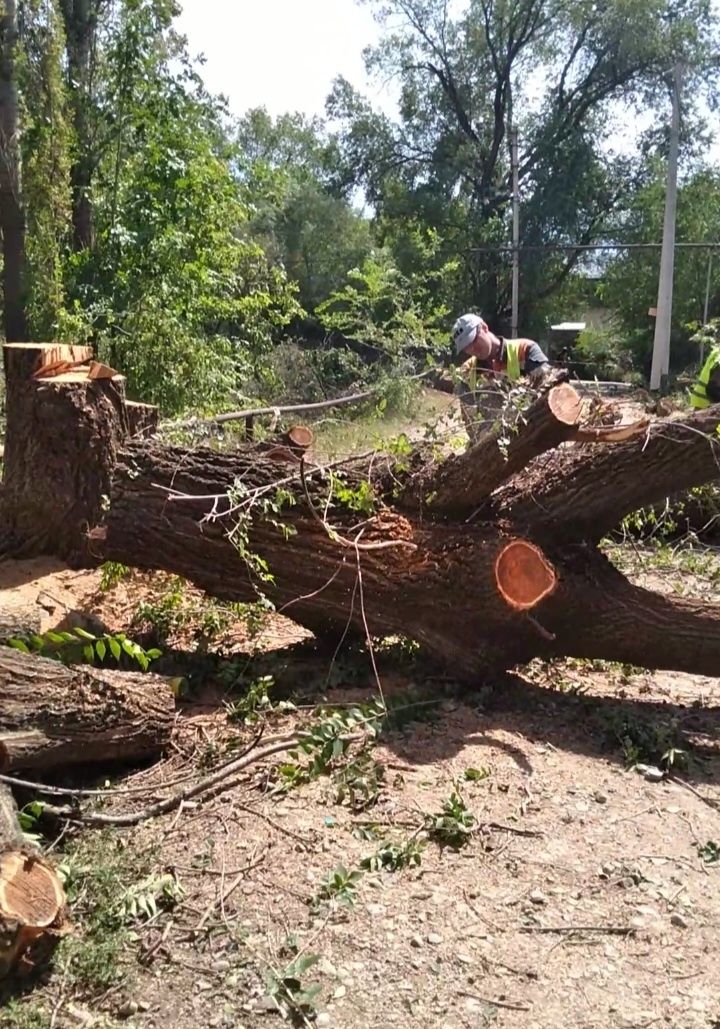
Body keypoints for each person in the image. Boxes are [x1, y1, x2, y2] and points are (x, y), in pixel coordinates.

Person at [449, 312, 550, 437]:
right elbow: (472, 424)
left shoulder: (526, 350)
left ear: (484, 327)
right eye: (466, 347)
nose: (472, 349)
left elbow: (548, 394)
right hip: (493, 445)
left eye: (473, 340)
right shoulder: (467, 372)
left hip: (532, 435)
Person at [689, 343, 720, 409]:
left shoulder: (717, 353)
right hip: (706, 403)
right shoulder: (718, 358)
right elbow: (713, 387)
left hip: (702, 401)